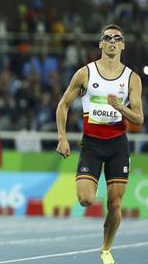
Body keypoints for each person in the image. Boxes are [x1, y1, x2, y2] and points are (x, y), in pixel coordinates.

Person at [56, 24, 143, 264]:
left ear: (123, 45)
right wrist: (62, 137)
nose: (113, 41)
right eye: (108, 38)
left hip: (117, 145)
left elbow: (139, 118)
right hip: (92, 144)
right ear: (101, 44)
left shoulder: (131, 78)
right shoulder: (86, 73)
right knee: (85, 199)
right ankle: (93, 186)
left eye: (118, 38)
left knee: (115, 203)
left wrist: (120, 108)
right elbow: (62, 105)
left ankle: (106, 249)